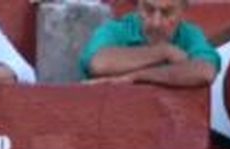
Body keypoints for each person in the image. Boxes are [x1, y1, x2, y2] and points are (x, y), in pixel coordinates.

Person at [79, 0, 219, 87]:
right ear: (138, 5)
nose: (156, 23)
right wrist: (164, 52)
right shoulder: (115, 30)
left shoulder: (191, 34)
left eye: (167, 12)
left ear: (183, 10)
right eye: (148, 9)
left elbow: (204, 72)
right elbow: (99, 64)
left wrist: (136, 77)